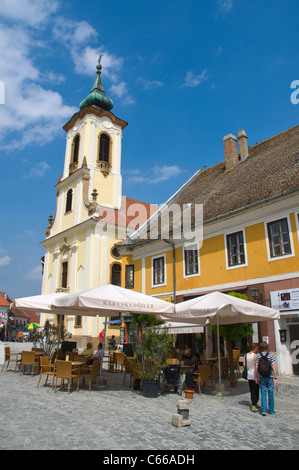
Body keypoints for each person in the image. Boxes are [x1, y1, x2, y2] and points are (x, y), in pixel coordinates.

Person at [255, 341, 278, 416]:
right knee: (271, 393)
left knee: (263, 393)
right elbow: (273, 368)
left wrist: (256, 377)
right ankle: (271, 410)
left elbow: (256, 367)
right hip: (269, 376)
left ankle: (264, 410)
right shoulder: (270, 356)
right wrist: (275, 378)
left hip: (262, 377)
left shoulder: (258, 356)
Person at [243, 343, 260, 412]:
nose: (258, 350)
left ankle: (254, 403)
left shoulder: (246, 355)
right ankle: (254, 404)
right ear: (255, 348)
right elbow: (257, 366)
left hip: (249, 374)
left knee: (251, 389)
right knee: (256, 390)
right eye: (257, 348)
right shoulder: (255, 356)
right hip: (255, 374)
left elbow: (244, 365)